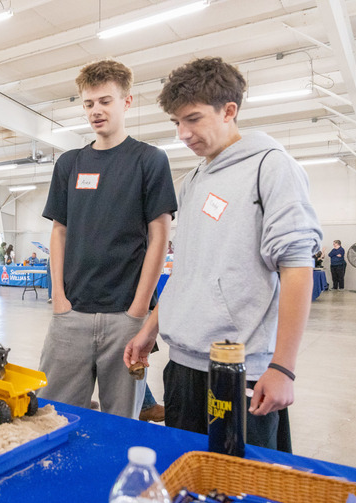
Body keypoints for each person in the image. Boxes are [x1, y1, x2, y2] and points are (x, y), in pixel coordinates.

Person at [124, 57, 322, 451]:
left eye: (193, 119)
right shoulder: (194, 179)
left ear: (229, 111)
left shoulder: (272, 167)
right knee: (183, 471)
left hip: (238, 369)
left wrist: (283, 367)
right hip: (182, 365)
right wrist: (149, 331)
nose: (182, 133)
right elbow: (187, 271)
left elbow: (297, 267)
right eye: (176, 122)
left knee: (239, 487)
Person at [38, 59, 177, 418]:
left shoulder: (149, 160)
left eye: (105, 101)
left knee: (122, 421)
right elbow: (59, 231)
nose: (96, 111)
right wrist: (59, 299)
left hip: (125, 318)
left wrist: (138, 310)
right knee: (52, 416)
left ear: (127, 102)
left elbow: (159, 235)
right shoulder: (69, 164)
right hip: (71, 315)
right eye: (88, 104)